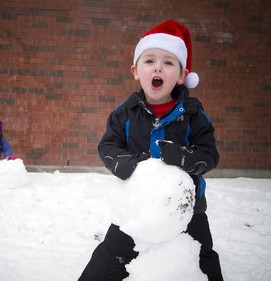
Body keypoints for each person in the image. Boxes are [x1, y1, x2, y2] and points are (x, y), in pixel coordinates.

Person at [78, 20, 223, 281]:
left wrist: (184, 158)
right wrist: (119, 161)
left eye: (168, 62)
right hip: (137, 205)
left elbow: (209, 154)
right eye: (149, 60)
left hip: (186, 209)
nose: (158, 66)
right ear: (135, 71)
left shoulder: (194, 116)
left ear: (181, 75)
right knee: (108, 257)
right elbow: (108, 145)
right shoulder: (124, 113)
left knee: (201, 259)